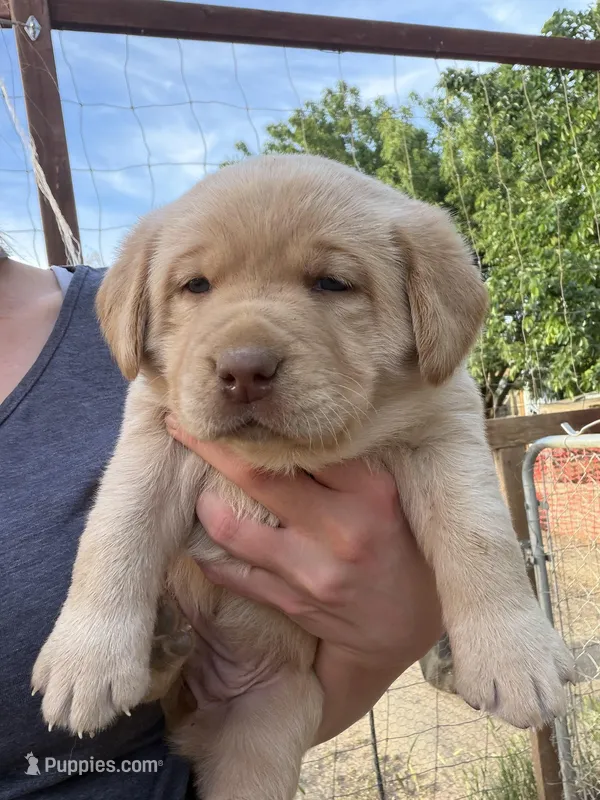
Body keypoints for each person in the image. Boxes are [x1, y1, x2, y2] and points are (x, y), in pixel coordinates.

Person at [0, 248, 443, 798]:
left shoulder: (127, 304)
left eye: (330, 282)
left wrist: (403, 627)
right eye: (198, 286)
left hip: (249, 706)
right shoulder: (146, 302)